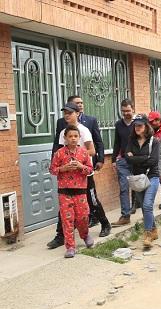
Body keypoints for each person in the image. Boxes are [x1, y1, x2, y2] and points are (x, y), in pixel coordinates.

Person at [46, 97, 109, 250]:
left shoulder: (84, 130)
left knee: (91, 201)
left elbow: (92, 150)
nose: (67, 116)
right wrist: (62, 163)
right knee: (65, 209)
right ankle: (61, 236)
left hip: (83, 174)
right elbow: (60, 151)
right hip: (67, 178)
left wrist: (78, 159)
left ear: (77, 113)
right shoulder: (62, 131)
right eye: (65, 113)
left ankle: (105, 223)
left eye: (70, 113)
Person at [50, 124, 94, 258]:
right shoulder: (59, 153)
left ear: (79, 138)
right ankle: (70, 247)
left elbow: (90, 170)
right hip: (64, 192)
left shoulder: (84, 152)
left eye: (75, 136)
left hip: (80, 191)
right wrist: (63, 169)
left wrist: (81, 166)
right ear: (65, 138)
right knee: (67, 220)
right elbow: (52, 169)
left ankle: (85, 235)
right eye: (70, 136)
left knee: (83, 218)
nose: (73, 139)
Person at [125, 115, 161, 248]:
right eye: (135, 126)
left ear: (146, 126)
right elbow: (127, 158)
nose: (137, 128)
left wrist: (135, 158)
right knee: (146, 207)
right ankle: (154, 230)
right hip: (137, 179)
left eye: (140, 125)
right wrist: (144, 157)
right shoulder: (131, 141)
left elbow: (153, 161)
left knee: (146, 206)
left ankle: (147, 235)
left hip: (152, 176)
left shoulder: (154, 141)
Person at [111, 99, 136, 226]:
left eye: (128, 111)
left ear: (133, 109)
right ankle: (125, 215)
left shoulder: (138, 123)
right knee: (124, 188)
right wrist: (114, 159)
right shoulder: (118, 124)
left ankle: (146, 212)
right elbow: (117, 142)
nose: (126, 113)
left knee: (141, 187)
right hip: (124, 161)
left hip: (138, 161)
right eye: (124, 111)